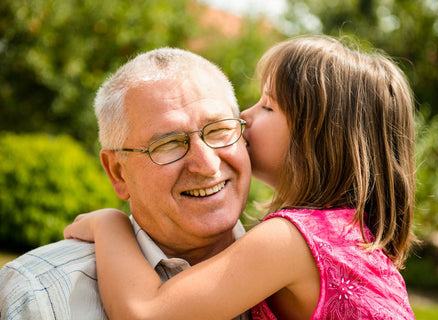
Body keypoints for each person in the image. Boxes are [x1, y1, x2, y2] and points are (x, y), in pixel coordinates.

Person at [64, 35, 418, 319]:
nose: (245, 117)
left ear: (314, 137)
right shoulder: (346, 232)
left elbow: (145, 313)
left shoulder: (292, 240)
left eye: (267, 106)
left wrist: (110, 224)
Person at [0, 48, 252, 319]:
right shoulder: (38, 297)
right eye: (167, 143)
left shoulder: (293, 270)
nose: (207, 165)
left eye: (219, 130)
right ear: (118, 172)